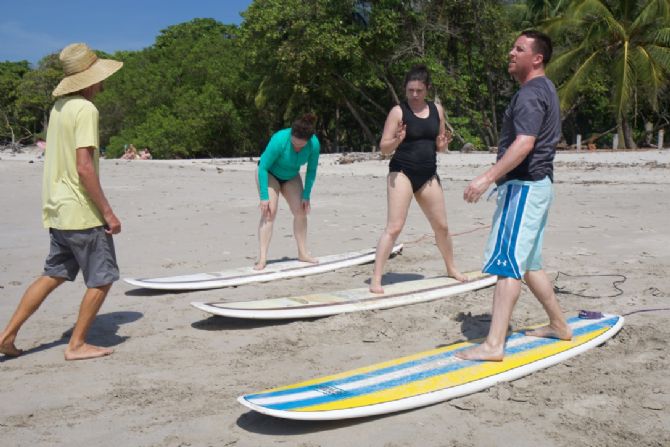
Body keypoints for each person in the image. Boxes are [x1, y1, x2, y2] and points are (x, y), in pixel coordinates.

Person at [0, 43, 123, 361]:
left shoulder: (58, 108)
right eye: (98, 78)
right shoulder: (85, 109)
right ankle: (77, 344)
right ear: (88, 79)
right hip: (82, 212)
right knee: (103, 278)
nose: (102, 84)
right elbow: (84, 166)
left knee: (51, 274)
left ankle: (6, 335)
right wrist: (108, 213)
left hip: (57, 210)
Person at [457, 30, 572, 361]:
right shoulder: (544, 88)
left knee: (508, 264)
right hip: (536, 186)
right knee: (529, 264)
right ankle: (559, 325)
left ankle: (494, 345)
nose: (511, 52)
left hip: (524, 187)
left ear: (536, 58)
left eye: (518, 49)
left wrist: (485, 178)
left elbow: (525, 143)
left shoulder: (530, 93)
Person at [370, 64, 465, 293]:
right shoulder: (398, 112)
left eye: (419, 91)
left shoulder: (437, 110)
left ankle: (451, 268)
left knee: (441, 226)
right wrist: (398, 139)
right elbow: (384, 148)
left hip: (428, 174)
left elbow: (439, 145)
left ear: (427, 89)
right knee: (394, 227)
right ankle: (376, 277)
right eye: (410, 90)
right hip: (401, 172)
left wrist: (442, 145)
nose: (414, 95)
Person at [255, 114, 320, 270]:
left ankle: (303, 253)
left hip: (291, 176)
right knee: (269, 212)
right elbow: (263, 167)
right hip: (269, 174)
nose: (297, 148)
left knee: (301, 211)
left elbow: (311, 171)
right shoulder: (280, 139)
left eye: (301, 146)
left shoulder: (314, 145)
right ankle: (262, 258)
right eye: (294, 144)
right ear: (291, 134)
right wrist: (264, 197)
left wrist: (306, 195)